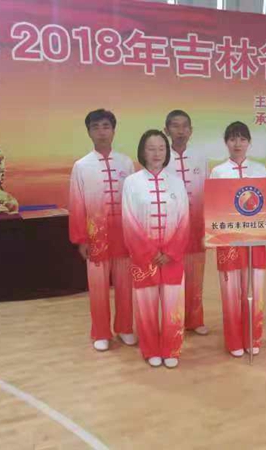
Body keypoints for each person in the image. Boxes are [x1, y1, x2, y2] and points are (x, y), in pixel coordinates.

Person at [69, 109, 136, 352]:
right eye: (95, 127)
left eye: (106, 126)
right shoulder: (81, 166)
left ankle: (125, 327)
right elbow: (77, 204)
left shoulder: (126, 163)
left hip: (124, 236)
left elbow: (135, 200)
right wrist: (81, 239)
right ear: (89, 132)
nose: (101, 132)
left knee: (125, 286)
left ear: (114, 130)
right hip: (96, 236)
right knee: (98, 289)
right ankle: (100, 331)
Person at [121, 130, 190, 368]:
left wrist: (170, 252)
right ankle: (150, 349)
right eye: (151, 148)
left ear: (167, 152)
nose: (157, 153)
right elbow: (129, 221)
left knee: (173, 305)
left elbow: (184, 220)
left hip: (173, 257)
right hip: (144, 258)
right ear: (142, 151)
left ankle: (171, 349)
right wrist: (150, 252)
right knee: (146, 306)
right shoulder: (131, 183)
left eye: (161, 148)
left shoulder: (177, 182)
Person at [209, 122, 266, 357]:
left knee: (255, 291)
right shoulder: (218, 172)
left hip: (255, 240)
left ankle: (253, 338)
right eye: (233, 138)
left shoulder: (260, 170)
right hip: (229, 242)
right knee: (231, 293)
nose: (237, 144)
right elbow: (213, 208)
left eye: (242, 139)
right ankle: (234, 341)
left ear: (249, 142)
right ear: (226, 142)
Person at [164, 110, 209, 336]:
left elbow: (209, 193)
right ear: (166, 130)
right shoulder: (162, 157)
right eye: (175, 126)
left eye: (184, 126)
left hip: (198, 228)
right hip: (171, 230)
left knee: (196, 277)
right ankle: (174, 320)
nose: (180, 131)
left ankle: (195, 319)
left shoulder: (200, 157)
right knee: (173, 277)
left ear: (191, 130)